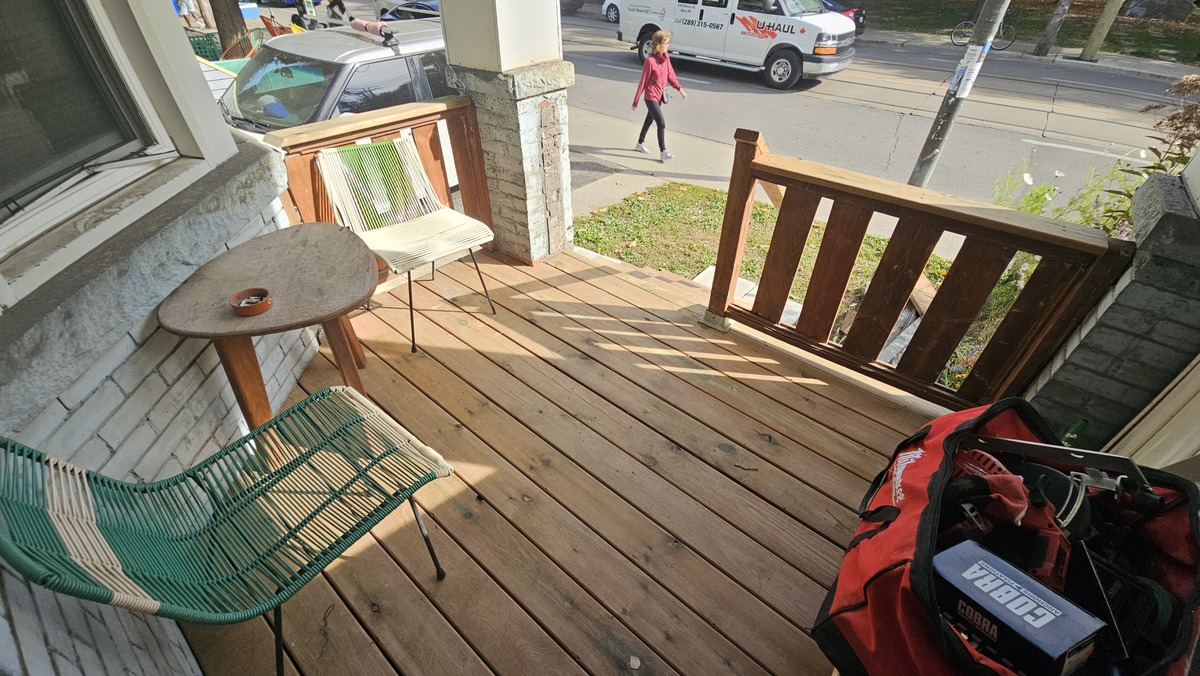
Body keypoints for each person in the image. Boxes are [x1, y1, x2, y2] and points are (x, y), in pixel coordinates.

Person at [631, 30, 687, 162]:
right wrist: (635, 101)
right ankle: (663, 151)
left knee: (649, 120)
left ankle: (640, 143)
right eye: (666, 43)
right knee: (661, 122)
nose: (668, 45)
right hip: (651, 96)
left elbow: (671, 76)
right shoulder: (650, 61)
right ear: (659, 45)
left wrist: (680, 89)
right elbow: (643, 82)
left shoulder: (666, 59)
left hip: (660, 96)